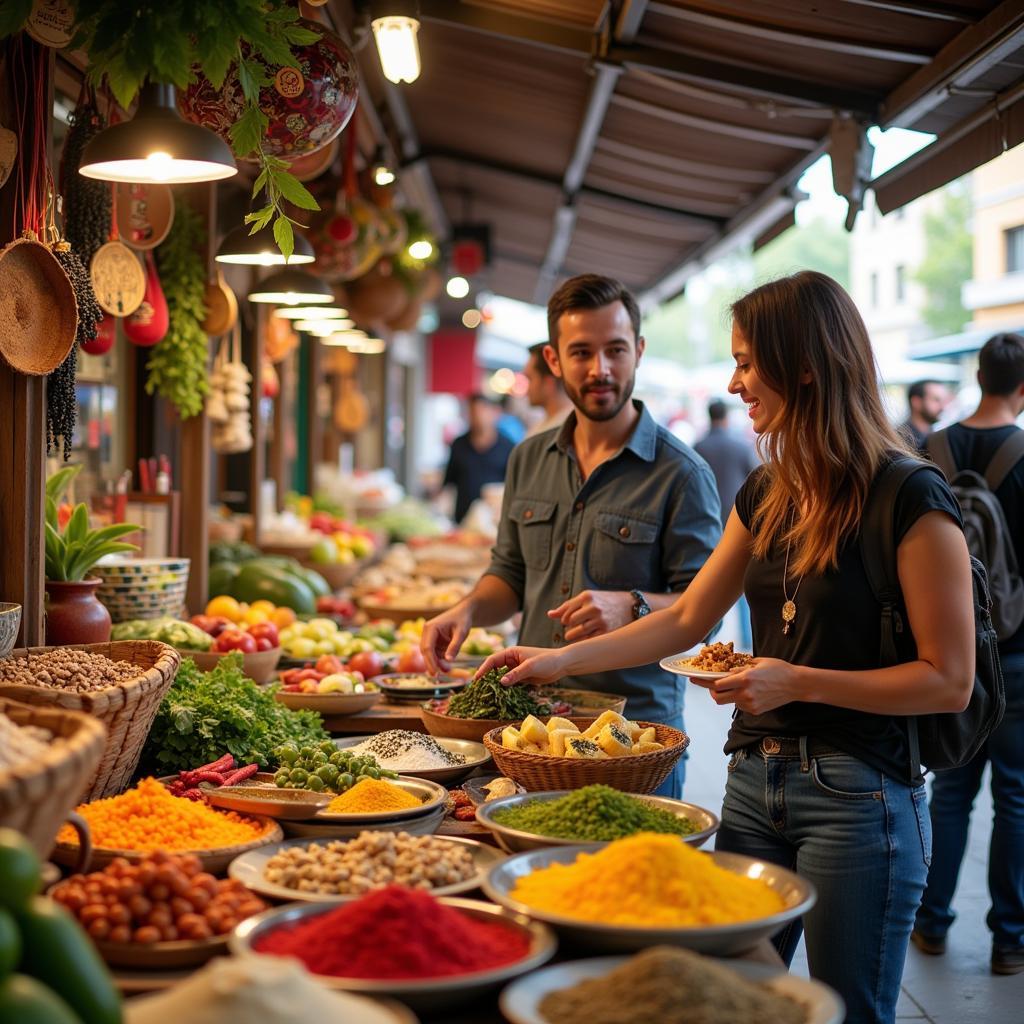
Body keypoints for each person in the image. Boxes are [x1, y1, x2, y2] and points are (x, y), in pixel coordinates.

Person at [476, 271, 975, 1024]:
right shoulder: (771, 490)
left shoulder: (909, 495)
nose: (735, 381)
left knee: (847, 1010)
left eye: (747, 360)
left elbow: (948, 681)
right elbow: (687, 622)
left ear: (804, 363)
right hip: (752, 787)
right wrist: (553, 660)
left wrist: (794, 681)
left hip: (859, 795)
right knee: (720, 1004)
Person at [422, 273, 722, 797]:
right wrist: (467, 610)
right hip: (530, 732)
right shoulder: (528, 459)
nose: (599, 369)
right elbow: (510, 575)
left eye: (616, 350)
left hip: (633, 743)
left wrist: (631, 605)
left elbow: (706, 614)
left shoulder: (683, 474)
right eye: (581, 352)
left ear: (639, 351)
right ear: (555, 359)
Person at [912, 332, 1024, 975]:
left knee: (950, 791)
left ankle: (930, 921)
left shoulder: (929, 450)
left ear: (978, 376)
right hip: (1019, 654)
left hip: (944, 653)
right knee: (1015, 797)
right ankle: (1010, 938)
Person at [695, 399, 760, 649]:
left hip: (709, 520)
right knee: (744, 585)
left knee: (711, 585)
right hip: (740, 518)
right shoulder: (739, 445)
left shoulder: (699, 446)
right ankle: (747, 639)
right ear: (725, 417)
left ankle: (709, 635)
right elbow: (752, 474)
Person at [441, 394, 515, 523]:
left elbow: (514, 485)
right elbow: (449, 481)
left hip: (495, 519)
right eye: (473, 412)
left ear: (493, 413)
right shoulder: (459, 444)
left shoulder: (508, 446)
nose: (478, 417)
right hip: (463, 518)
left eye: (482, 411)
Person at [524, 340, 572, 437]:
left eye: (530, 379)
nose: (526, 390)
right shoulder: (542, 427)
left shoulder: (566, 432)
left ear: (548, 383)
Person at [899, 379, 950, 453]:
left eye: (944, 401)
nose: (943, 407)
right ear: (916, 402)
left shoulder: (934, 435)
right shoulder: (901, 440)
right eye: (936, 400)